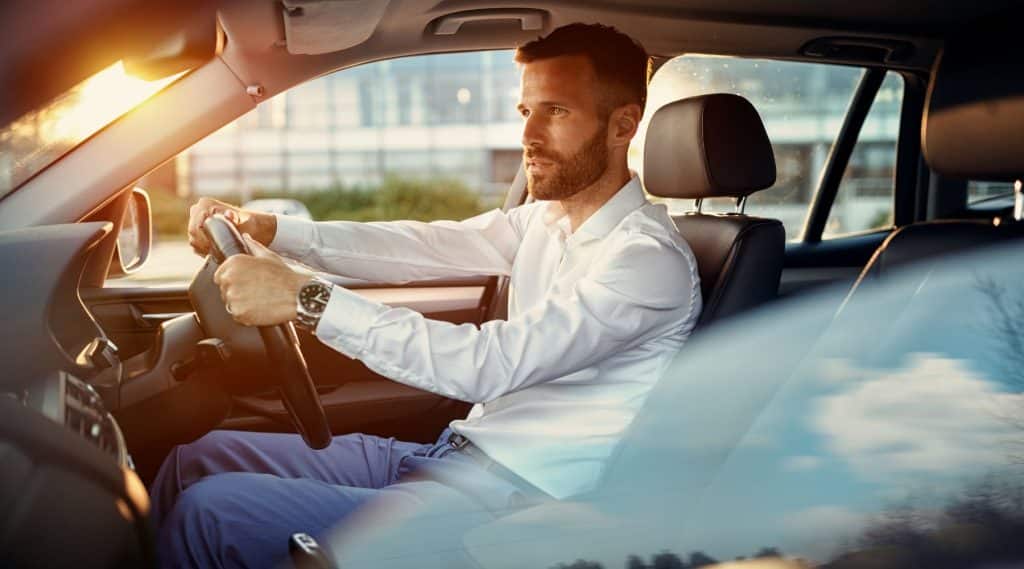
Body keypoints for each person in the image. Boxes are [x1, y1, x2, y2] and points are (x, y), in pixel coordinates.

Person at [153, 22, 701, 568]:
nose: (529, 134)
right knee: (194, 460)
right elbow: (422, 245)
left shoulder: (647, 262)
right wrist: (273, 229)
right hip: (448, 454)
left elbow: (491, 365)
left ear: (622, 126)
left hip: (508, 501)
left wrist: (308, 299)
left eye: (555, 112)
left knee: (212, 512)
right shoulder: (548, 221)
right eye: (524, 111)